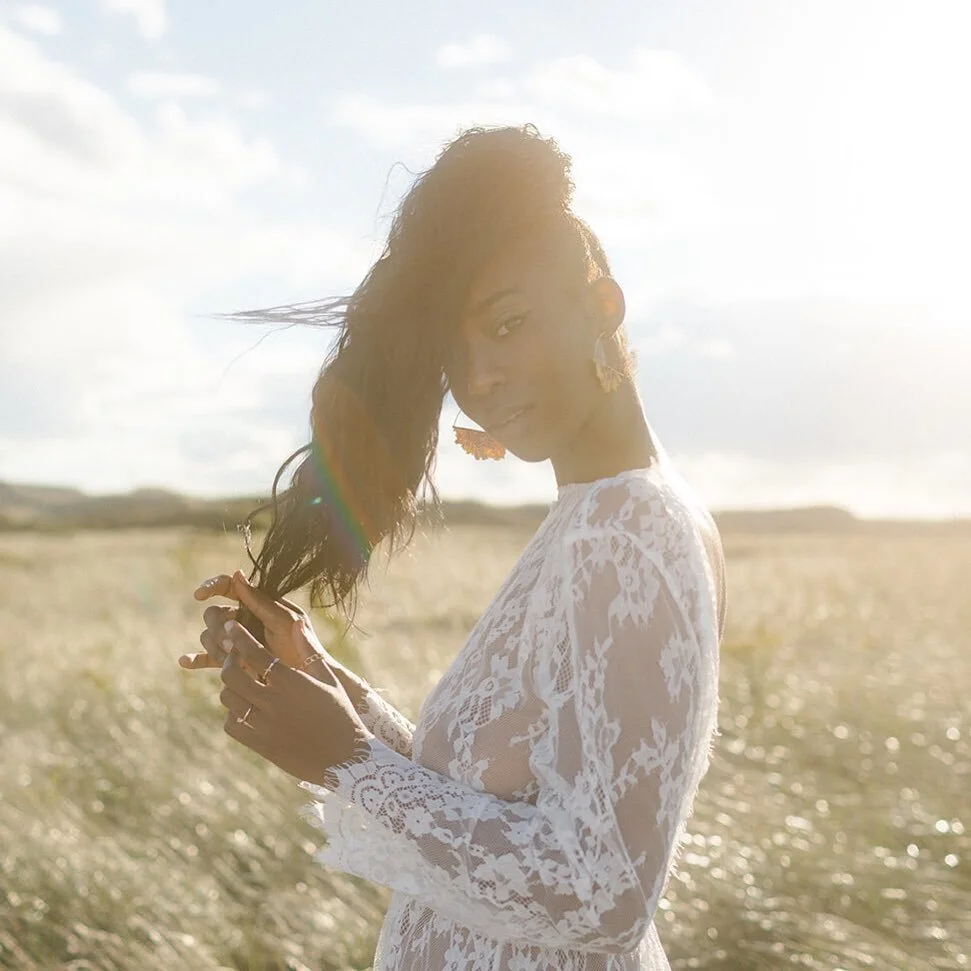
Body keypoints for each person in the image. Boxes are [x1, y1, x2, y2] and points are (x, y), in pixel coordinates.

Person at [179, 123, 727, 971]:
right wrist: (333, 689)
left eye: (507, 325)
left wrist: (348, 760)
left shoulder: (631, 530)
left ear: (601, 306)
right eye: (455, 353)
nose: (478, 380)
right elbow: (493, 797)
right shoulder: (594, 518)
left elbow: (604, 892)